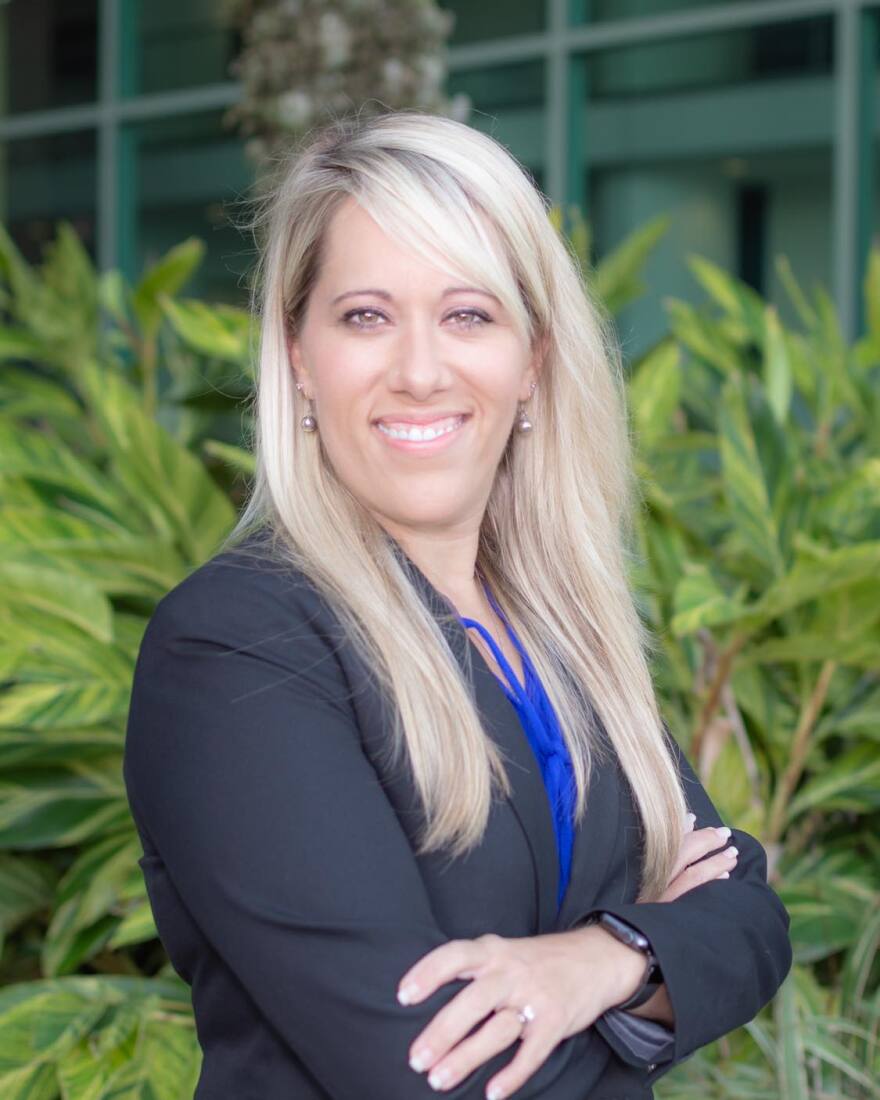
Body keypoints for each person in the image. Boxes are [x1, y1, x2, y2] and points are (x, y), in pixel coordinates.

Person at [122, 110, 792, 1100]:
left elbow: (748, 911)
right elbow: (425, 1069)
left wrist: (597, 961)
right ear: (299, 356)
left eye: (468, 313)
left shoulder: (561, 629)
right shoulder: (237, 644)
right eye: (365, 315)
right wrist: (658, 955)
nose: (421, 368)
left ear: (531, 360)